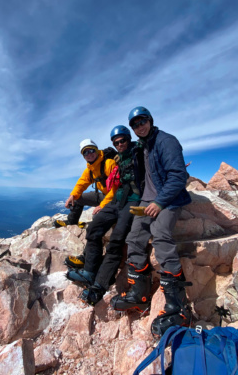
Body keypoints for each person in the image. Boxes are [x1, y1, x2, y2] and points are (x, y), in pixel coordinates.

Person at [110, 106, 192, 337]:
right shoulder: (142, 146)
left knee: (161, 234)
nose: (139, 126)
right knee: (134, 238)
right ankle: (140, 294)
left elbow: (178, 177)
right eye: (135, 124)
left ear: (150, 120)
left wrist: (160, 202)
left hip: (169, 199)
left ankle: (178, 307)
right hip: (147, 200)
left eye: (142, 121)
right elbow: (121, 152)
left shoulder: (166, 141)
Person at [66, 125, 145, 306]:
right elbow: (83, 182)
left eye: (123, 140)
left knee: (116, 240)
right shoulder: (110, 160)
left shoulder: (128, 155)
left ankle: (100, 285)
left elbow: (152, 164)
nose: (120, 144)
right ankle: (89, 271)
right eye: (116, 142)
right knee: (93, 228)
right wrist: (74, 195)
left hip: (130, 201)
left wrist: (102, 204)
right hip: (117, 201)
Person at [54, 139, 116, 232]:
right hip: (104, 195)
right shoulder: (90, 169)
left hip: (115, 198)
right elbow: (81, 183)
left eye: (91, 150)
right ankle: (72, 222)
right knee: (78, 199)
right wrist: (73, 195)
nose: (89, 154)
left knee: (97, 216)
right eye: (85, 153)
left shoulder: (109, 164)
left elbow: (116, 188)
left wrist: (103, 205)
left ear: (96, 150)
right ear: (83, 156)